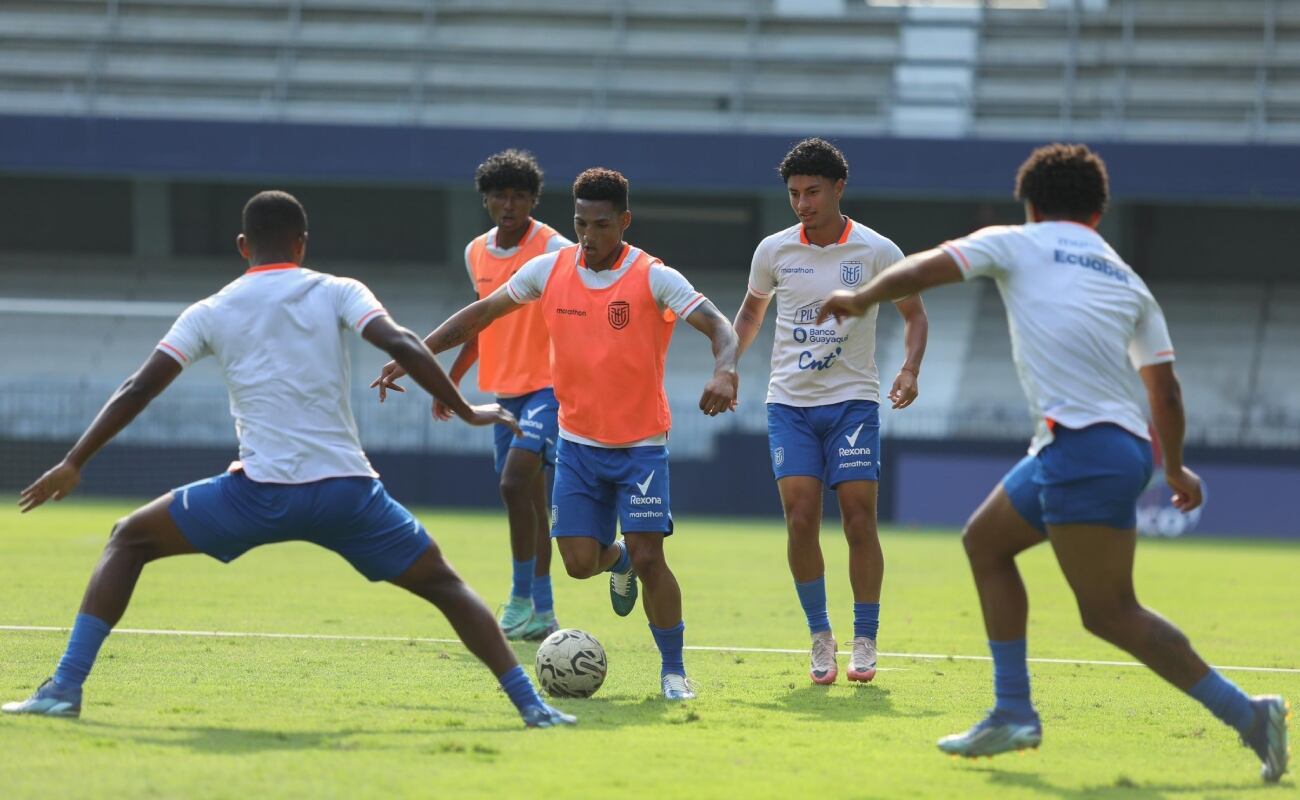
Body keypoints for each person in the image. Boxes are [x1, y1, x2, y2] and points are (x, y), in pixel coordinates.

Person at [4, 190, 575, 729]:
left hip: (257, 494)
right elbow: (401, 342)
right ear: (302, 242)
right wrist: (468, 410)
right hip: (350, 496)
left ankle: (63, 689)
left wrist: (75, 461)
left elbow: (137, 389)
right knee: (447, 586)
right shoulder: (338, 290)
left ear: (242, 246)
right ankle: (532, 708)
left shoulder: (210, 309)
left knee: (128, 540)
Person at [816, 144, 1288, 780]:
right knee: (985, 541)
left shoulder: (1020, 241)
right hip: (1113, 446)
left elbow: (933, 264)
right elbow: (1166, 391)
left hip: (1083, 446)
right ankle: (1012, 709)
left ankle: (1250, 716)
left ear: (1032, 205)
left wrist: (863, 296)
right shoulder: (1126, 277)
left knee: (1111, 612)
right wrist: (1173, 468)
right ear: (1098, 212)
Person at [374, 168, 739, 701]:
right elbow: (481, 313)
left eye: (602, 225)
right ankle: (613, 561)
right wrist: (413, 356)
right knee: (578, 563)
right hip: (578, 447)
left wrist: (726, 368)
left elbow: (718, 325)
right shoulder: (550, 270)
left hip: (640, 447)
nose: (589, 237)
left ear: (625, 222)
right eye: (581, 224)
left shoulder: (654, 276)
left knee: (649, 555)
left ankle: (674, 671)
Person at [732, 138, 928, 685]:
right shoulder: (774, 251)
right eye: (793, 193)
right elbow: (750, 314)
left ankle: (865, 637)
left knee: (859, 518)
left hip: (853, 404)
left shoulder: (876, 250)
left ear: (838, 188)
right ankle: (821, 636)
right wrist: (728, 364)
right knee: (799, 519)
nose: (802, 203)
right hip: (789, 403)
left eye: (812, 191)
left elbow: (915, 315)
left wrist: (909, 369)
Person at [444, 150, 571, 641]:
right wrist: (453, 378)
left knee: (515, 484)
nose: (509, 204)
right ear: (486, 200)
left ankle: (519, 597)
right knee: (529, 500)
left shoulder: (554, 248)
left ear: (534, 199)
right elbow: (480, 318)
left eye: (520, 195)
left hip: (548, 386)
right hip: (504, 390)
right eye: (500, 195)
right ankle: (542, 611)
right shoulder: (476, 251)